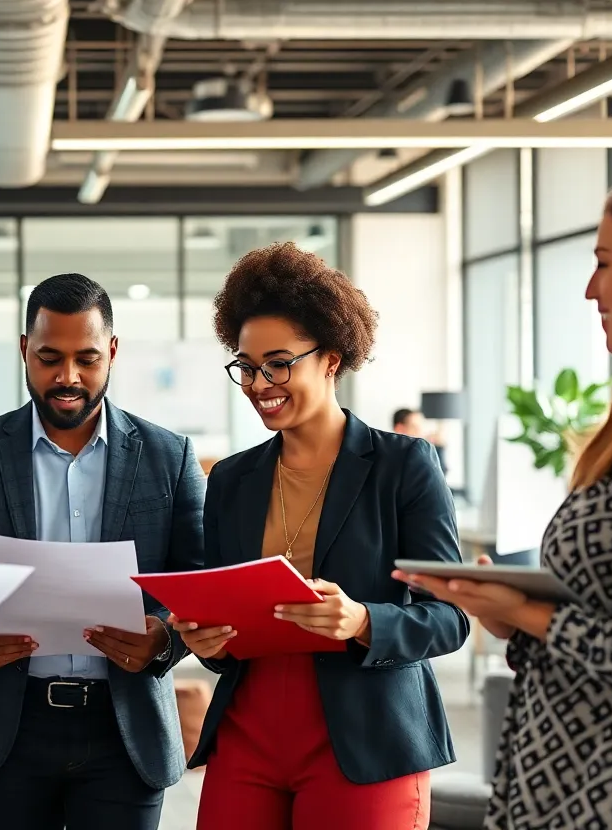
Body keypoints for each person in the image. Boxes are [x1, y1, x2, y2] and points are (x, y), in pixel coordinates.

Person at [399, 172, 612, 828]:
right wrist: (509, 614)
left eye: (605, 264)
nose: (589, 290)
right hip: (578, 776)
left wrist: (529, 614)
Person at [173, 243, 469, 830]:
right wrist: (205, 640)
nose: (259, 383)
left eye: (278, 363)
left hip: (368, 732)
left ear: (331, 358)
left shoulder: (403, 465)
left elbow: (451, 617)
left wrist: (363, 620)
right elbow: (224, 612)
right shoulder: (231, 478)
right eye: (247, 366)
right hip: (248, 731)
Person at [0, 272, 206, 830]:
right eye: (50, 357)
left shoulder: (168, 456)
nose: (67, 377)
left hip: (124, 727)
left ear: (113, 350)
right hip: (9, 726)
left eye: (86, 358)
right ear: (24, 349)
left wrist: (164, 640)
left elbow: (199, 577)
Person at [392, 408, 448, 475]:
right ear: (399, 429)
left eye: (421, 427)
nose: (420, 432)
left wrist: (439, 447)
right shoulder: (397, 458)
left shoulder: (423, 450)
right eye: (414, 427)